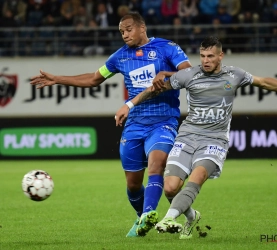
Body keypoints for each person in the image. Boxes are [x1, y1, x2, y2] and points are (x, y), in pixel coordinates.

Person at [115, 36, 277, 239]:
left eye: (210, 56)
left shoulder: (234, 74)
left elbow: (264, 82)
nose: (205, 60)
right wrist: (129, 105)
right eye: (202, 56)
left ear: (221, 56)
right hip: (187, 137)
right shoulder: (189, 75)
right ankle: (192, 217)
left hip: (214, 140)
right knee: (170, 188)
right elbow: (154, 89)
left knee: (198, 176)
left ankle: (168, 218)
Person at [29, 12, 192, 237]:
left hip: (163, 121)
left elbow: (190, 73)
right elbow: (94, 79)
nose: (124, 34)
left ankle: (147, 216)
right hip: (134, 124)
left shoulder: (167, 48)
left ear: (142, 27)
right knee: (133, 184)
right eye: (121, 31)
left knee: (157, 165)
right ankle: (140, 216)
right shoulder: (120, 57)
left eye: (128, 29)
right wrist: (58, 79)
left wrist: (166, 75)